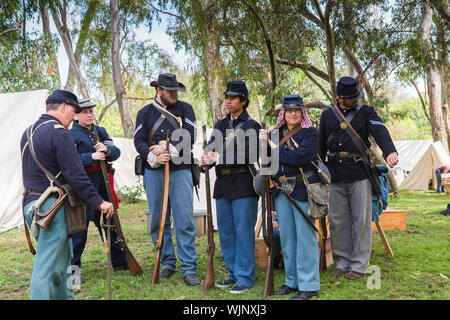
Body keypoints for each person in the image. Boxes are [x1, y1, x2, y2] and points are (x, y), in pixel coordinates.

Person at [20, 89, 114, 300]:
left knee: (63, 264)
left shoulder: (27, 132)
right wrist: (99, 202)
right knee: (46, 268)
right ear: (63, 107)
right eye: (74, 110)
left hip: (32, 205)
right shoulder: (58, 132)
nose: (74, 116)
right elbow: (76, 176)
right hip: (50, 207)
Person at [318, 76, 398, 280]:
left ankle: (359, 265)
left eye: (356, 96)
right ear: (339, 98)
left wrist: (390, 151)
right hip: (336, 173)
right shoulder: (328, 115)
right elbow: (320, 146)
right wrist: (320, 170)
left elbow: (380, 130)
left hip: (359, 172)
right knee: (337, 221)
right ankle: (341, 262)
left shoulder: (366, 112)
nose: (356, 100)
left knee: (361, 220)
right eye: (351, 98)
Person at [134, 73, 200, 286]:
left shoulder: (185, 109)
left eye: (176, 90)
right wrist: (153, 156)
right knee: (157, 220)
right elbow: (139, 140)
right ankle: (167, 262)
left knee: (184, 219)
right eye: (170, 90)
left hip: (180, 169)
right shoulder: (144, 113)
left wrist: (167, 149)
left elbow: (190, 134)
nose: (174, 94)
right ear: (158, 90)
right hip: (154, 170)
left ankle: (189, 267)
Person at [200, 80, 261, 294]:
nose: (228, 100)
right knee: (225, 232)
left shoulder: (253, 126)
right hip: (223, 184)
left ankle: (245, 277)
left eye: (233, 97)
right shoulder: (220, 125)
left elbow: (251, 154)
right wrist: (205, 159)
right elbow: (211, 150)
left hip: (243, 183)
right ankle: (233, 273)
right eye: (227, 97)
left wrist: (220, 157)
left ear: (243, 101)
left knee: (243, 232)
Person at [259, 94, 321, 300]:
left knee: (306, 237)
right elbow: (267, 161)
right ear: (283, 113)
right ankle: (292, 281)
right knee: (287, 237)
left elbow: (300, 157)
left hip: (303, 188)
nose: (293, 113)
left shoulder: (310, 133)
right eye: (289, 110)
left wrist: (276, 148)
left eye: (297, 110)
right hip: (280, 188)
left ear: (302, 112)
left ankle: (309, 285)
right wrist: (263, 144)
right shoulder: (273, 134)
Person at [69, 99, 128, 279]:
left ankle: (120, 264)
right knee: (79, 234)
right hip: (83, 190)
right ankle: (73, 275)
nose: (89, 115)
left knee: (111, 227)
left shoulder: (100, 131)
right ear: (76, 115)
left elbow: (115, 151)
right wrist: (90, 156)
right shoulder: (71, 135)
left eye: (91, 111)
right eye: (85, 112)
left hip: (103, 187)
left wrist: (107, 150)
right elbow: (69, 163)